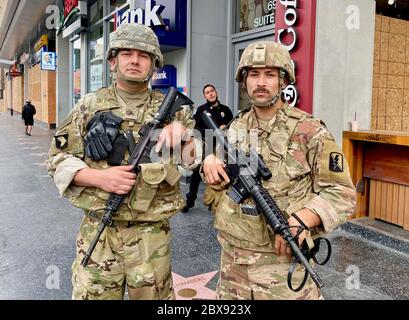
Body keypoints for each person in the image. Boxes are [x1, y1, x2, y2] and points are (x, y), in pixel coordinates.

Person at [47, 23, 197, 300]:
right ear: (113, 61)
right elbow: (57, 160)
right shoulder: (89, 106)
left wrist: (185, 136)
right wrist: (100, 178)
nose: (135, 61)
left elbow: (194, 161)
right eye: (127, 54)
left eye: (143, 55)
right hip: (100, 232)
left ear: (154, 64)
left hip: (152, 236)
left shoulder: (176, 110)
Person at [202, 41, 357, 300]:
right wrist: (209, 161)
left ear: (283, 81)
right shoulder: (235, 127)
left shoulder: (310, 131)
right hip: (232, 265)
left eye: (270, 74)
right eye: (254, 74)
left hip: (284, 267)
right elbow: (216, 167)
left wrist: (303, 219)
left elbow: (342, 192)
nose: (261, 82)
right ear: (244, 81)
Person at [181, 84, 232, 212]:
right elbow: (195, 129)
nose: (210, 94)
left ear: (216, 92)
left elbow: (233, 127)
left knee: (218, 173)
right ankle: (189, 202)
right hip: (206, 144)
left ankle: (212, 202)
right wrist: (212, 131)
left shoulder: (226, 110)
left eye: (212, 91)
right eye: (207, 92)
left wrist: (225, 128)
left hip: (221, 147)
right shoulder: (201, 110)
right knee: (196, 176)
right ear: (205, 95)